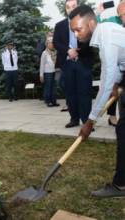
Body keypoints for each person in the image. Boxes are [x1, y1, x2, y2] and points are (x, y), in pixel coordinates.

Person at [70, 3, 125, 198]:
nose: (76, 35)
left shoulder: (107, 36)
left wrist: (90, 121)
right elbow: (113, 72)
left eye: (79, 29)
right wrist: (115, 85)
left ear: (91, 23)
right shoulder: (106, 32)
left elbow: (108, 77)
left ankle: (120, 185)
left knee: (123, 129)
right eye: (73, 31)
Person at [53, 0, 94, 127]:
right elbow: (56, 42)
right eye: (68, 7)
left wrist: (77, 51)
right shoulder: (59, 25)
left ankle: (86, 122)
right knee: (70, 93)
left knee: (85, 93)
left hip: (83, 62)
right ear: (65, 9)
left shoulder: (86, 24)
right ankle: (74, 119)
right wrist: (68, 50)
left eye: (74, 6)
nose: (71, 9)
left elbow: (91, 40)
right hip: (67, 64)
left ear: (78, 7)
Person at [40, 36, 60, 107]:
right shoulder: (44, 53)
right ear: (47, 44)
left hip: (55, 72)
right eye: (50, 43)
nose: (52, 44)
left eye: (52, 43)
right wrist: (41, 75)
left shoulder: (55, 52)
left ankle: (54, 101)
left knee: (54, 87)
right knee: (48, 87)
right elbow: (42, 65)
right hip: (47, 73)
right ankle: (48, 101)